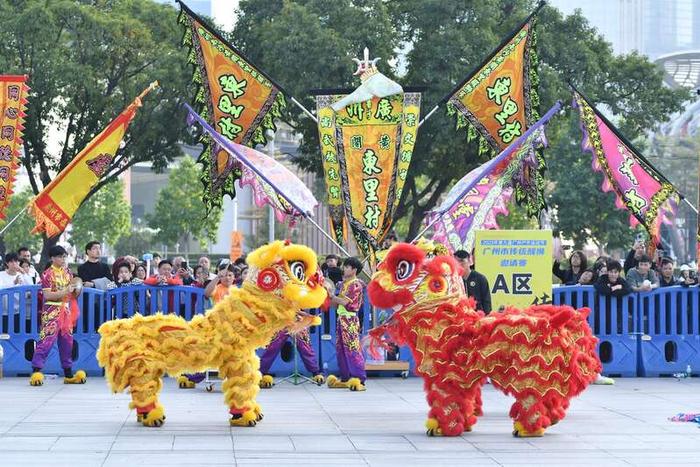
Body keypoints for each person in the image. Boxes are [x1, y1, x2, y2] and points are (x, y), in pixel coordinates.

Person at [29, 245, 87, 386]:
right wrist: (66, 291)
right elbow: (48, 295)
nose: (63, 259)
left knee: (67, 342)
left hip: (66, 311)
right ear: (52, 258)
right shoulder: (47, 274)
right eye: (60, 256)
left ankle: (68, 374)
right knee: (46, 341)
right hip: (51, 311)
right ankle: (36, 372)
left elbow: (73, 292)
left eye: (64, 256)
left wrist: (76, 289)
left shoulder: (68, 273)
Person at [179, 262, 236, 389]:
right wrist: (217, 278)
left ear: (234, 277)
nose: (227, 277)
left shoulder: (236, 290)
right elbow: (206, 293)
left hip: (233, 329)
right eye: (225, 275)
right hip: (217, 327)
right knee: (210, 355)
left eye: (230, 275)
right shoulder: (217, 287)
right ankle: (191, 377)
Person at [326, 257, 367, 391]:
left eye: (347, 267)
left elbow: (345, 302)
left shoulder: (356, 284)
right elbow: (337, 304)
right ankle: (346, 377)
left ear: (354, 270)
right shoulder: (344, 284)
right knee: (341, 349)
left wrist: (332, 296)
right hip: (341, 318)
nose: (344, 269)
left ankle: (359, 379)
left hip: (350, 320)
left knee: (352, 349)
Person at [454, 250, 491, 314]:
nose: (459, 264)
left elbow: (486, 302)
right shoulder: (454, 280)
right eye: (456, 262)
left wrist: (486, 317)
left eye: (461, 261)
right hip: (461, 318)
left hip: (478, 316)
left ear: (469, 261)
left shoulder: (480, 278)